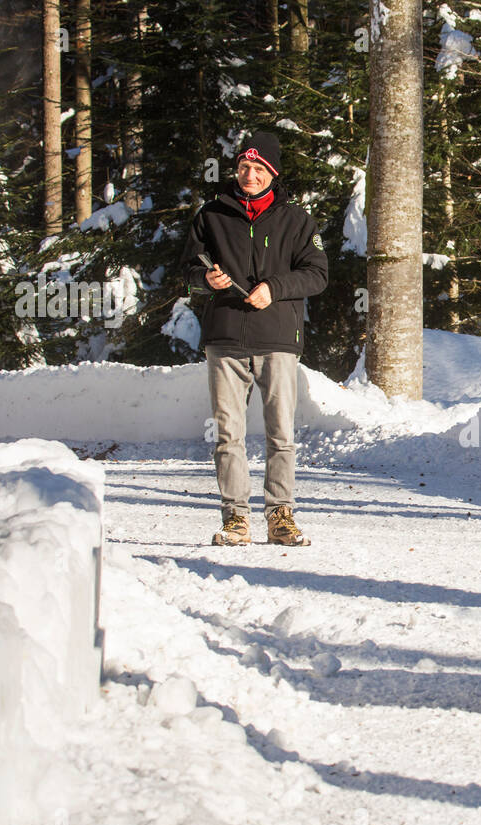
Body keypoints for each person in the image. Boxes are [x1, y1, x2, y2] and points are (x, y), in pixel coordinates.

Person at [178, 131, 328, 546]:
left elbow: (317, 274)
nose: (250, 174)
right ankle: (235, 519)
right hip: (224, 338)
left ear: (272, 173)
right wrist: (205, 279)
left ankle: (281, 515)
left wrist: (275, 288)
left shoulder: (296, 220)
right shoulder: (211, 215)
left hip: (278, 338)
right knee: (229, 434)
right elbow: (187, 273)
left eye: (259, 168)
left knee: (281, 434)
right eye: (244, 166)